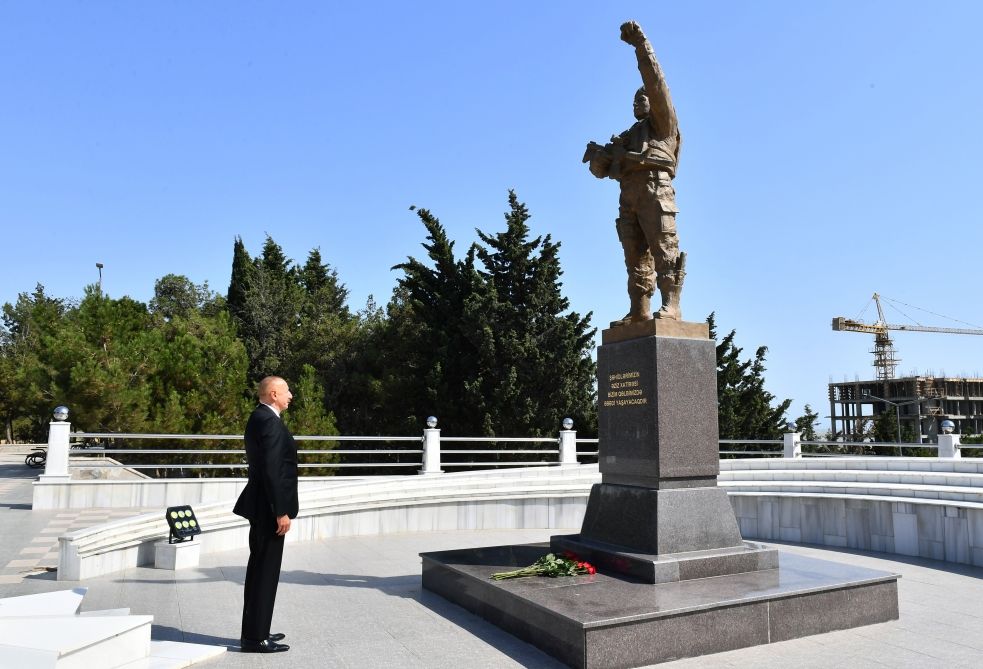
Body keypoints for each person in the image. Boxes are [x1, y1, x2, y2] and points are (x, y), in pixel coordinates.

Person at [584, 20, 686, 325]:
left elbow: (656, 83)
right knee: (634, 254)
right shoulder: (630, 135)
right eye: (634, 100)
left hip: (656, 189)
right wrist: (600, 156)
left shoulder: (662, 126)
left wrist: (642, 46)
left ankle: (672, 305)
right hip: (629, 193)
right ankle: (640, 309)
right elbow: (601, 172)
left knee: (664, 248)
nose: (636, 103)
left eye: (641, 99)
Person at [233, 376, 298, 653]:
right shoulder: (269, 421)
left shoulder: (260, 417)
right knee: (264, 573)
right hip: (268, 509)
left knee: (262, 571)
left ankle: (257, 629)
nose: (291, 395)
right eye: (286, 391)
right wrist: (280, 511)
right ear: (273, 394)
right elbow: (272, 470)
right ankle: (255, 638)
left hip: (262, 506)